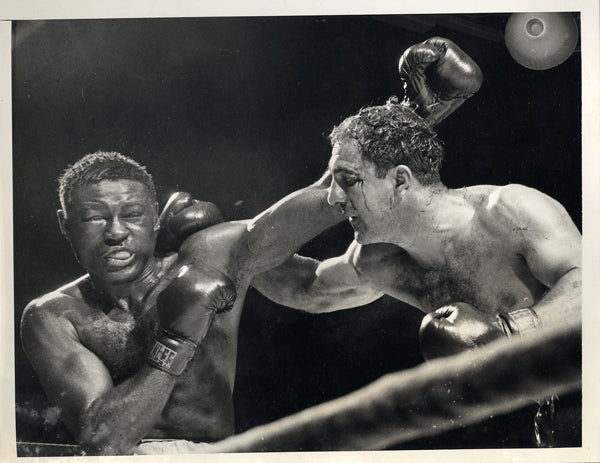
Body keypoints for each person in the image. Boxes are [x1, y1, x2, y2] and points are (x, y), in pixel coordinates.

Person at [252, 45, 582, 446]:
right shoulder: (379, 259)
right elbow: (306, 288)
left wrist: (506, 331)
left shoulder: (508, 210)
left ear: (401, 180)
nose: (333, 199)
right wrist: (226, 248)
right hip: (529, 413)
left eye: (349, 180)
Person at [20, 151, 344, 455]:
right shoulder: (52, 315)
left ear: (156, 218)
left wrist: (353, 166)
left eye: (132, 214)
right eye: (93, 217)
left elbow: (322, 199)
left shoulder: (210, 255)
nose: (116, 232)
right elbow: (105, 440)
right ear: (65, 224)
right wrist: (176, 342)